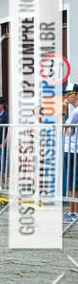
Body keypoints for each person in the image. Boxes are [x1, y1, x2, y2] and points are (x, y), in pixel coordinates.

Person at [63, 83, 78, 222]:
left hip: (73, 149)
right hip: (71, 149)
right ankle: (72, 211)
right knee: (72, 182)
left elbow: (66, 129)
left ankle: (74, 212)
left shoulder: (76, 112)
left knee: (73, 182)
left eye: (69, 93)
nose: (66, 96)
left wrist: (62, 111)